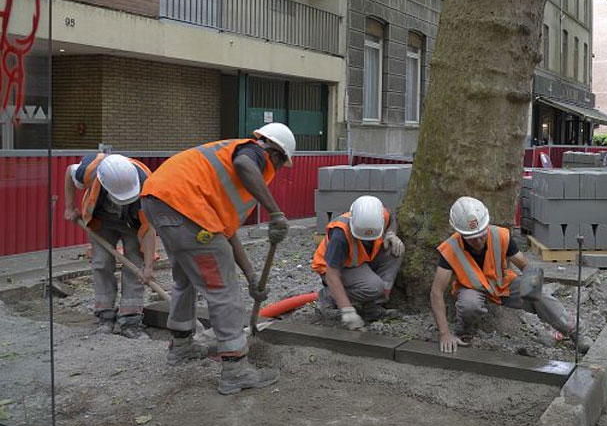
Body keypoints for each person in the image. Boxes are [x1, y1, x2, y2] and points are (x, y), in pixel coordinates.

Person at [140, 123, 294, 395]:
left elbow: (226, 232)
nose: (277, 172)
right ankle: (235, 369)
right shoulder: (254, 152)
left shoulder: (219, 170)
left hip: (160, 201)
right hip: (185, 207)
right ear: (277, 154)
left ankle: (182, 346)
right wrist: (275, 213)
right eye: (281, 165)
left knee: (185, 279)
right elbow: (246, 165)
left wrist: (251, 275)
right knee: (223, 289)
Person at [430, 196, 590, 354]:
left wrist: (532, 287)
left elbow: (525, 265)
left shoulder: (501, 235)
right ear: (460, 233)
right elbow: (436, 292)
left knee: (541, 296)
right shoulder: (450, 249)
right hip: (472, 289)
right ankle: (464, 329)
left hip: (503, 284)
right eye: (472, 239)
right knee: (469, 306)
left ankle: (576, 332)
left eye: (481, 235)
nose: (478, 241)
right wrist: (444, 334)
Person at [63, 153, 156, 338]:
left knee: (135, 266)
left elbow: (149, 230)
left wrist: (149, 267)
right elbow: (69, 172)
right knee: (101, 263)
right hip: (102, 220)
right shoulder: (90, 170)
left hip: (133, 223)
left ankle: (130, 321)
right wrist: (69, 206)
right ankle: (105, 317)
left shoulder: (149, 188)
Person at [311, 195, 404, 328]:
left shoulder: (382, 215)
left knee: (396, 251)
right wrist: (346, 309)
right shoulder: (340, 234)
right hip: (336, 267)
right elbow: (332, 274)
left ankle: (373, 306)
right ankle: (328, 296)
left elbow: (392, 221)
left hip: (362, 259)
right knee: (373, 287)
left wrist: (391, 234)